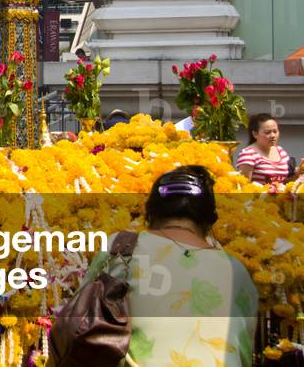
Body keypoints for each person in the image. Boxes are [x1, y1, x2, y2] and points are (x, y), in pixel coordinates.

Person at [79, 166, 258, 367]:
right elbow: (243, 352)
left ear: (150, 212)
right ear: (210, 219)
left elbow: (79, 320)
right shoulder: (236, 271)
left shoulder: (121, 249)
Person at [236, 113, 292, 185]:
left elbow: (286, 181)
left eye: (275, 131)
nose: (273, 135)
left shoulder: (281, 151)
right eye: (267, 132)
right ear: (255, 134)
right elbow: (243, 187)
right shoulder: (248, 155)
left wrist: (298, 172)